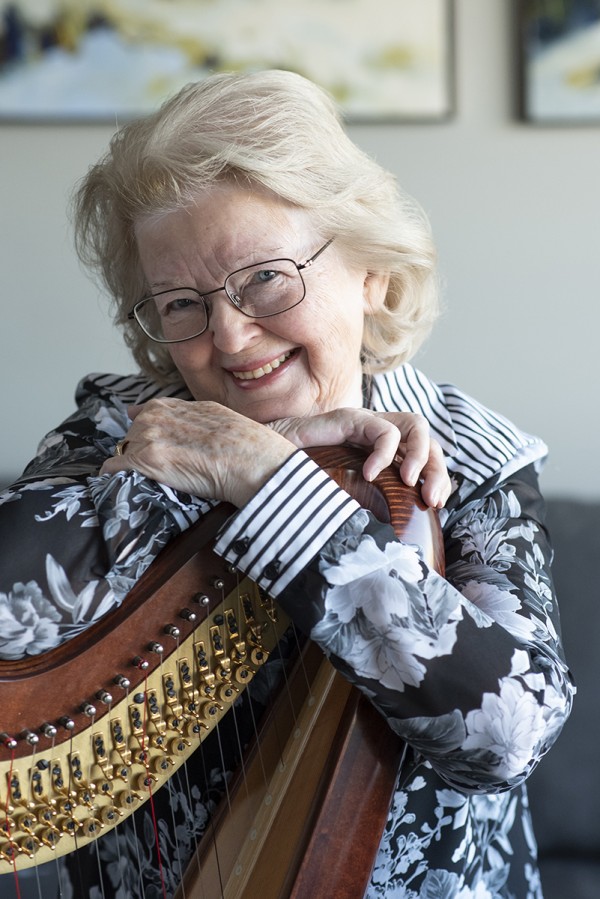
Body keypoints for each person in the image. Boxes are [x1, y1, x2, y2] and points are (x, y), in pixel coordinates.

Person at [0, 69, 573, 899]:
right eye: (181, 304)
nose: (228, 337)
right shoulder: (125, 432)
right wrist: (190, 466)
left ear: (369, 270)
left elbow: (508, 733)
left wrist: (266, 477)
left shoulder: (472, 458)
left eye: (265, 277)